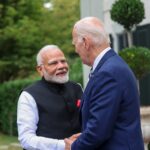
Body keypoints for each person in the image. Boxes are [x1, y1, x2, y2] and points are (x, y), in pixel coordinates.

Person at [64, 17, 144, 150]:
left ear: (85, 42)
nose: (75, 50)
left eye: (74, 44)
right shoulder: (111, 65)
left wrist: (74, 146)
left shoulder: (108, 72)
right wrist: (83, 137)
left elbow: (98, 129)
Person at [17, 45, 83, 150]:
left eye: (63, 61)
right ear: (40, 69)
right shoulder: (28, 96)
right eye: (53, 63)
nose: (61, 66)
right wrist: (63, 145)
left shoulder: (77, 88)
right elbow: (26, 139)